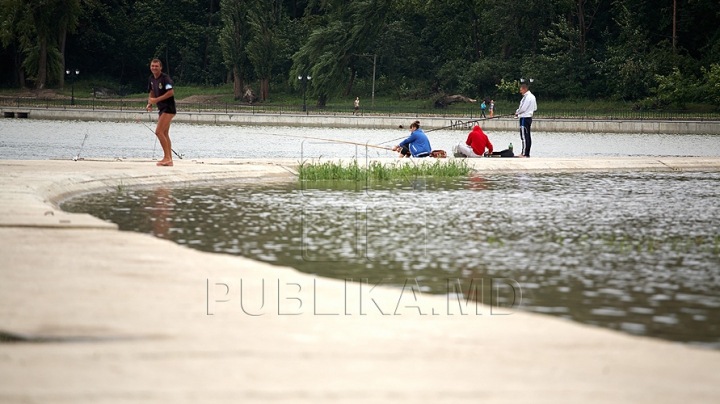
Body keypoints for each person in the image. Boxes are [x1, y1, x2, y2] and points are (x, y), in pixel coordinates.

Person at [146, 58, 176, 166]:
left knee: (158, 132)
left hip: (169, 108)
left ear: (160, 67)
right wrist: (150, 103)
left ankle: (167, 157)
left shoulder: (165, 78)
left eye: (156, 66)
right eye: (152, 66)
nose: (154, 68)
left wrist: (157, 100)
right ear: (150, 67)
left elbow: (170, 92)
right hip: (161, 109)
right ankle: (169, 159)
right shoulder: (151, 79)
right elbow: (152, 92)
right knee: (164, 133)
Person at [514, 83, 536, 158]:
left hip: (524, 118)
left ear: (525, 89)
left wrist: (517, 112)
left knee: (524, 136)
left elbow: (523, 108)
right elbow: (535, 108)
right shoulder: (533, 97)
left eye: (521, 90)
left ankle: (524, 154)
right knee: (528, 136)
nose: (520, 92)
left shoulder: (527, 97)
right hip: (529, 117)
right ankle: (527, 153)